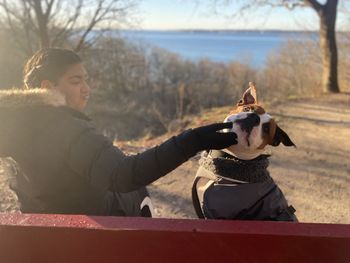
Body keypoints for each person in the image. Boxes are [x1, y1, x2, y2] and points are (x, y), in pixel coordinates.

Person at [0, 48, 237, 217]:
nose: (86, 89)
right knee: (137, 191)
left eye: (86, 80)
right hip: (92, 240)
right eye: (76, 81)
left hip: (45, 240)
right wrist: (193, 140)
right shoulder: (69, 130)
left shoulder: (13, 127)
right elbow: (124, 175)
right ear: (47, 87)